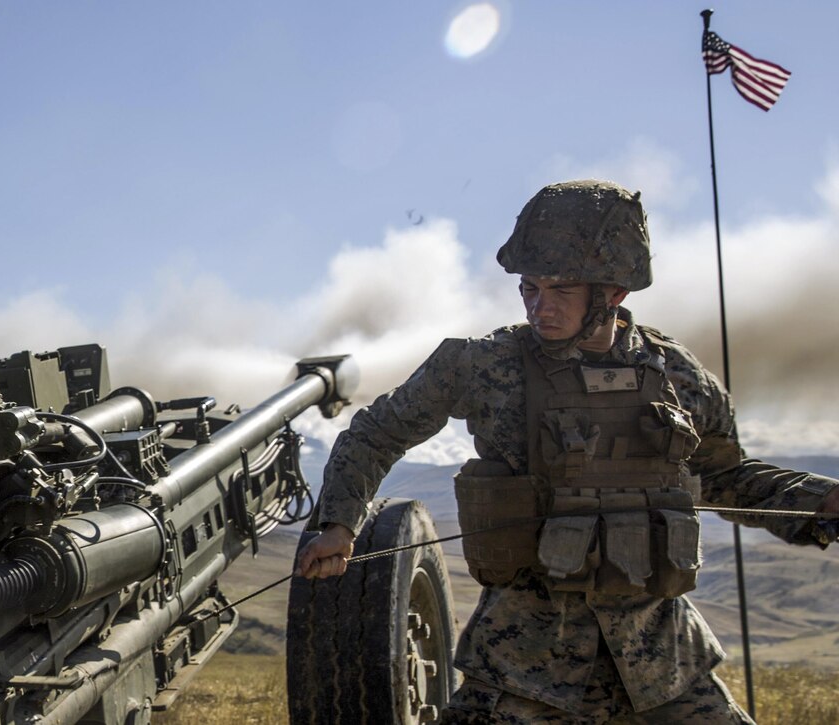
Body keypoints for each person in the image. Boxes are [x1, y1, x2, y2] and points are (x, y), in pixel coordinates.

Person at [295, 179, 839, 723]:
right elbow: (375, 434)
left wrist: (820, 501)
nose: (540, 307)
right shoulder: (483, 366)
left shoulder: (676, 375)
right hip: (523, 668)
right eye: (530, 288)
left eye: (560, 291)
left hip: (661, 662)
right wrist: (340, 523)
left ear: (613, 294)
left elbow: (728, 478)